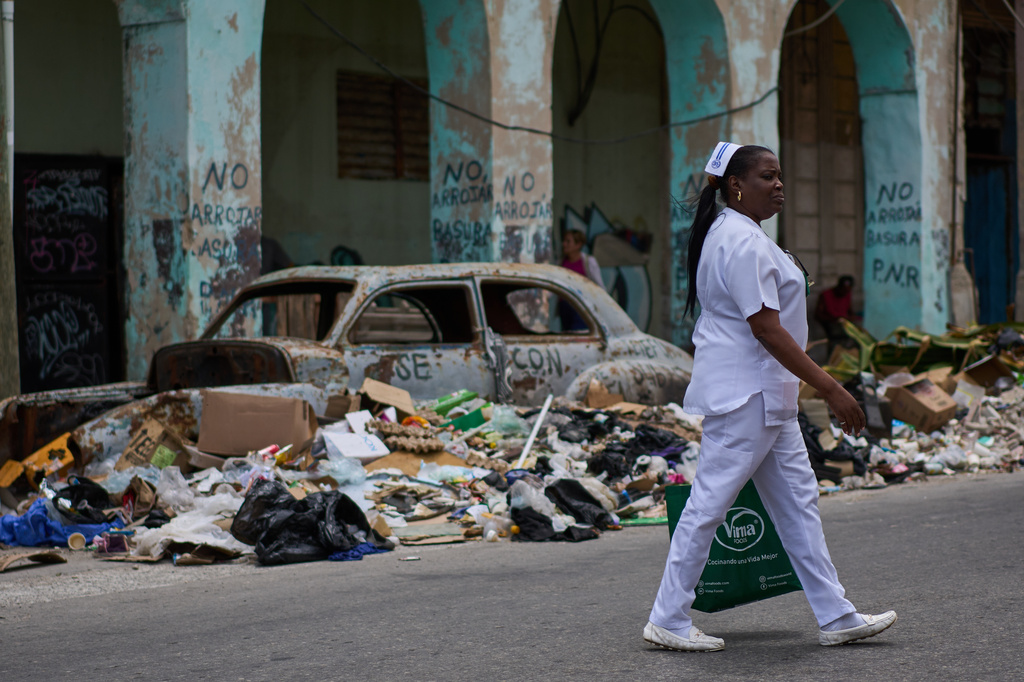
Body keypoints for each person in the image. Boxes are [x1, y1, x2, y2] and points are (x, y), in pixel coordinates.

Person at [643, 142, 896, 652]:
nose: (779, 184)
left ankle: (836, 614)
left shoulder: (737, 234)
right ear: (736, 186)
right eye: (767, 176)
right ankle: (667, 617)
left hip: (766, 396)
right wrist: (832, 389)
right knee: (708, 505)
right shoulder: (741, 241)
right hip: (747, 396)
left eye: (779, 176)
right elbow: (767, 330)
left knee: (798, 504)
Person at [558, 229, 603, 331]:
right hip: (565, 306)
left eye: (568, 241)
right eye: (564, 241)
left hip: (581, 306)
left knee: (578, 334)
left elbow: (599, 285)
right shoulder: (561, 261)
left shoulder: (588, 262)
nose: (564, 244)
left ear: (578, 244)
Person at [815, 275, 856, 355]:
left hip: (844, 323)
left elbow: (850, 311)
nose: (845, 292)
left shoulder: (847, 295)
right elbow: (818, 315)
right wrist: (833, 319)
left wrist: (849, 319)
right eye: (843, 290)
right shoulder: (826, 294)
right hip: (830, 323)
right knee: (836, 335)